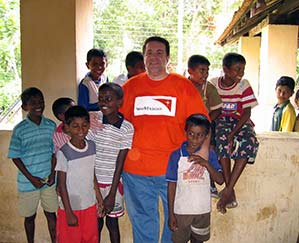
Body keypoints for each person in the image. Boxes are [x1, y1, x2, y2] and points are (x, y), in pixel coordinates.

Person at [120, 36, 209, 243]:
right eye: (149, 53)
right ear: (144, 57)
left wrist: (203, 152)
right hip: (135, 171)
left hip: (173, 170)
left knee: (175, 222)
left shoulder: (183, 86)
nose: (154, 57)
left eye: (159, 53)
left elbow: (203, 121)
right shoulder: (130, 87)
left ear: (168, 57)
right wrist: (96, 119)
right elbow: (115, 120)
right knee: (143, 222)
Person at [210, 53, 259, 214]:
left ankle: (228, 190)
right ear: (225, 69)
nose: (241, 73)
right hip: (221, 121)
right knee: (222, 140)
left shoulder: (243, 85)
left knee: (249, 142)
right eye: (237, 69)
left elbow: (246, 113)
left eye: (243, 69)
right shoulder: (213, 84)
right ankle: (230, 192)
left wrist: (234, 133)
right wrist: (227, 135)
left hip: (240, 121)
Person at [7, 87, 58, 243]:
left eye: (41, 101)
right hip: (28, 183)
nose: (38, 105)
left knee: (51, 215)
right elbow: (15, 156)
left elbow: (55, 152)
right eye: (33, 102)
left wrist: (52, 174)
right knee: (30, 217)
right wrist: (30, 178)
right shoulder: (20, 130)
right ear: (24, 106)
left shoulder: (50, 125)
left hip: (48, 181)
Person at [87, 83, 134, 243]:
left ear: (120, 102)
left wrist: (112, 194)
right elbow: (88, 155)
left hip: (113, 185)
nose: (103, 103)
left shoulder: (127, 128)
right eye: (100, 99)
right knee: (95, 224)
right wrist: (96, 190)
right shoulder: (93, 121)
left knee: (112, 224)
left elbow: (120, 163)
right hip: (93, 183)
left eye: (108, 99)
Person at [166, 114, 223, 243]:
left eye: (200, 135)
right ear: (186, 132)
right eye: (191, 134)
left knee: (198, 241)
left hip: (202, 211)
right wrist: (171, 213)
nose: (195, 139)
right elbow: (171, 185)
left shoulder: (210, 154)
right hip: (181, 212)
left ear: (206, 136)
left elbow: (220, 180)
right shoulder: (176, 155)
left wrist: (206, 163)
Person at [55, 106, 103, 243]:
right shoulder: (64, 152)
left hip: (89, 204)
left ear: (89, 125)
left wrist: (98, 197)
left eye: (84, 125)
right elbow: (62, 185)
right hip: (70, 206)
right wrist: (69, 213)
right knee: (70, 239)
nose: (81, 130)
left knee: (90, 238)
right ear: (67, 128)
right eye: (75, 126)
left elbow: (91, 174)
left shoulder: (92, 146)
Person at [187, 54, 222, 198]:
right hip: (186, 126)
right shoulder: (182, 85)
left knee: (210, 150)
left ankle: (211, 184)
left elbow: (218, 109)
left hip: (205, 126)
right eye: (202, 71)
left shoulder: (209, 88)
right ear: (190, 71)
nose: (205, 74)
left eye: (207, 71)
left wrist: (207, 123)